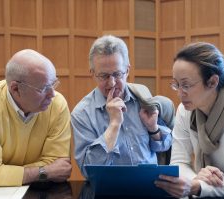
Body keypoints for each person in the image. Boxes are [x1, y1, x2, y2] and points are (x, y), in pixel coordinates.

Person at [155, 42, 224, 198]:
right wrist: (196, 181)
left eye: (186, 85)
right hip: (203, 190)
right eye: (176, 85)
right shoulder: (185, 110)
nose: (180, 93)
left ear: (212, 82)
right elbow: (179, 162)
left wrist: (198, 186)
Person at [0, 49, 72, 187]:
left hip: (27, 187)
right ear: (15, 88)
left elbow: (58, 165)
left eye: (53, 84)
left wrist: (5, 173)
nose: (52, 94)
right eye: (43, 88)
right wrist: (43, 171)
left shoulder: (57, 105)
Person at [71, 35, 174, 178]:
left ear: (127, 70)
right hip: (110, 190)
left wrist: (153, 129)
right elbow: (89, 171)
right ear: (92, 74)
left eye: (117, 74)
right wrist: (114, 125)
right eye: (104, 76)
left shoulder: (141, 95)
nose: (112, 83)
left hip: (149, 185)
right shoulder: (82, 113)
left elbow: (166, 145)